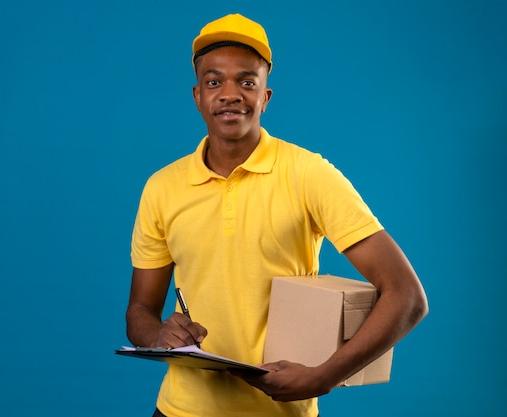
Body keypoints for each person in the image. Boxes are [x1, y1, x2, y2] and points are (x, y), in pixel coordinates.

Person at [125, 13, 428, 417]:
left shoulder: (308, 174)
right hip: (180, 410)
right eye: (215, 82)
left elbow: (407, 296)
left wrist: (324, 376)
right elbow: (139, 312)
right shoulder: (162, 187)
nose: (230, 94)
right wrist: (160, 333)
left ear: (265, 97)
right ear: (198, 96)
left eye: (247, 82)